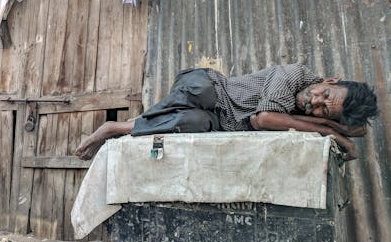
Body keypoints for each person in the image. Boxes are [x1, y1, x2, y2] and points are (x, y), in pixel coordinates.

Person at [76, 64, 378, 161]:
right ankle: (112, 128)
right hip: (210, 85)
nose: (314, 101)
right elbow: (264, 120)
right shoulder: (295, 74)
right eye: (324, 93)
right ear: (331, 80)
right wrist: (326, 127)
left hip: (220, 120)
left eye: (323, 109)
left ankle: (113, 129)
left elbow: (359, 130)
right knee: (201, 93)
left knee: (191, 123)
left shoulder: (309, 112)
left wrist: (328, 123)